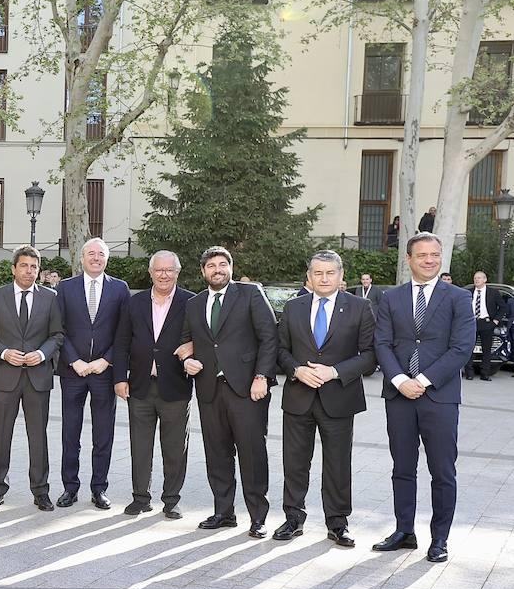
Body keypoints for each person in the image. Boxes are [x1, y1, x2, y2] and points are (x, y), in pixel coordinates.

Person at [373, 233, 475, 563]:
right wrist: (401, 380)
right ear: (409, 259)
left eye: (435, 254)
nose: (429, 260)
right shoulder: (391, 297)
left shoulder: (459, 298)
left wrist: (424, 380)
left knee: (442, 471)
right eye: (422, 255)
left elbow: (461, 348)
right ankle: (405, 531)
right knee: (402, 467)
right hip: (399, 395)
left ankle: (439, 539)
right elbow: (382, 344)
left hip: (440, 397)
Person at [275, 250, 377, 548]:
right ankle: (293, 518)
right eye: (317, 273)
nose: (323, 278)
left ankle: (337, 523)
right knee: (295, 462)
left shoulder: (360, 307)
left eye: (329, 273)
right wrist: (295, 370)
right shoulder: (293, 308)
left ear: (341, 276)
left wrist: (334, 371)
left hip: (339, 398)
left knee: (337, 462)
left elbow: (370, 357)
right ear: (309, 276)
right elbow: (280, 350)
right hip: (299, 396)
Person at [178, 246, 278, 538]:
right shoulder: (194, 304)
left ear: (231, 268)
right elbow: (186, 341)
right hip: (209, 389)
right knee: (217, 453)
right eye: (211, 266)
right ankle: (224, 512)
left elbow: (269, 336)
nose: (217, 270)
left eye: (223, 264)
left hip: (247, 389)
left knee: (252, 453)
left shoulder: (250, 294)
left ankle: (258, 517)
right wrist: (188, 360)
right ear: (203, 271)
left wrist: (262, 376)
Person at [0, 246, 64, 511]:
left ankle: (40, 491)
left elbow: (58, 335)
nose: (29, 271)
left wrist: (42, 353)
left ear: (39, 271)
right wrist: (4, 353)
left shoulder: (50, 297)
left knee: (38, 436)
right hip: (5, 377)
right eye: (24, 265)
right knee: (1, 435)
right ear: (14, 268)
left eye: (34, 267)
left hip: (38, 378)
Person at [112, 251, 194, 519]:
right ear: (150, 273)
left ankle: (171, 500)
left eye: (169, 270)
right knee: (140, 445)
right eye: (159, 270)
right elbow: (122, 342)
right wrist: (120, 378)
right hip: (140, 387)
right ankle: (140, 498)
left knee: (174, 449)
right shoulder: (134, 303)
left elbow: (200, 339)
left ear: (177, 272)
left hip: (175, 387)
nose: (164, 275)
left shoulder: (190, 302)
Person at [54, 238, 129, 510]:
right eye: (91, 254)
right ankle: (69, 488)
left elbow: (124, 332)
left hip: (103, 374)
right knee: (70, 433)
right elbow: (58, 328)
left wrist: (105, 360)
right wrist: (73, 360)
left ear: (106, 259)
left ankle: (99, 488)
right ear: (82, 258)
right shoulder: (65, 288)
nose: (96, 258)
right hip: (72, 372)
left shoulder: (120, 289)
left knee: (103, 434)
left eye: (101, 254)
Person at [465, 271, 505, 381]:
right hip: (471, 323)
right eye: (475, 278)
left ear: (485, 279)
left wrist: (495, 321)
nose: (476, 280)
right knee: (469, 349)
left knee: (486, 350)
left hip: (487, 323)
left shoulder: (493, 292)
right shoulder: (468, 292)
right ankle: (469, 373)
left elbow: (503, 307)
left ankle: (485, 373)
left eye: (479, 278)